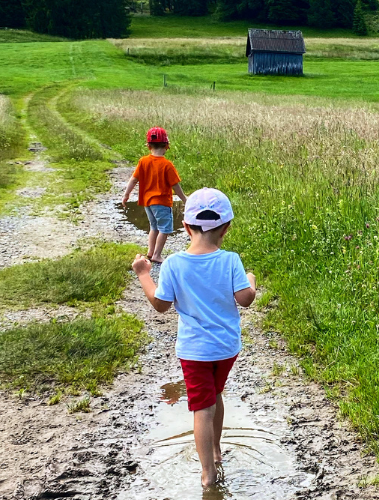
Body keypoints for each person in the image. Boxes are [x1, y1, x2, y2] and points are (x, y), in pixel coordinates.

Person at [131, 187, 257, 489]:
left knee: (202, 406)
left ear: (186, 227)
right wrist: (251, 280)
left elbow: (161, 305)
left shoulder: (174, 264)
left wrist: (143, 274)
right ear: (226, 228)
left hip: (194, 351)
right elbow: (246, 299)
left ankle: (207, 475)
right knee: (215, 395)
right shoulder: (231, 261)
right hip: (226, 348)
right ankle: (215, 452)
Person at [121, 127, 186, 263]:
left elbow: (133, 179)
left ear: (148, 146)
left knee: (154, 227)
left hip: (147, 202)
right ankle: (157, 255)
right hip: (161, 202)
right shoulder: (167, 165)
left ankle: (150, 252)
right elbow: (175, 185)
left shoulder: (143, 161)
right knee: (165, 228)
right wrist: (185, 199)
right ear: (167, 145)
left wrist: (126, 195)